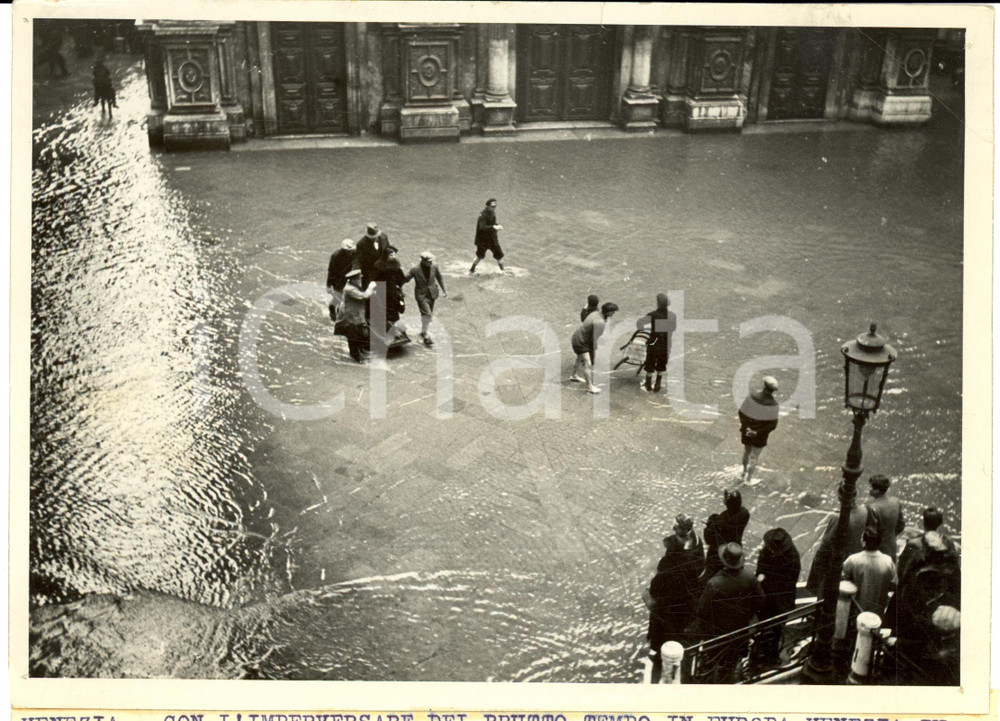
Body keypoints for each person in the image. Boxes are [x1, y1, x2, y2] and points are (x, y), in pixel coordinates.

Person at [686, 543, 764, 683]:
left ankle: (712, 677)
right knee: (733, 657)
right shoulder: (749, 577)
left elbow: (702, 610)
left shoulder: (714, 583)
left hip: (717, 631)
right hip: (741, 628)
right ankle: (728, 674)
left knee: (713, 656)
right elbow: (761, 600)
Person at [645, 514, 705, 662]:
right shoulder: (696, 542)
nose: (673, 527)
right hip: (688, 597)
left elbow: (658, 586)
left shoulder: (675, 562)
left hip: (672, 600)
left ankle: (659, 653)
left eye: (676, 526)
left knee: (663, 625)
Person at [752, 528, 801, 666]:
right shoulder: (785, 554)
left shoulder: (791, 557)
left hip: (778, 599)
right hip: (770, 597)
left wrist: (763, 579)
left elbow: (789, 581)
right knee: (766, 626)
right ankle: (763, 651)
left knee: (774, 628)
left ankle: (769, 654)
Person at [805, 496, 869, 598]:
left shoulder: (837, 517)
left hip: (837, 560)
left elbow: (826, 542)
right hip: (855, 556)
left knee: (826, 590)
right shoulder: (865, 511)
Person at [842, 529, 897, 615]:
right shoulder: (888, 561)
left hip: (855, 608)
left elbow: (843, 579)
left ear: (864, 542)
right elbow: (894, 584)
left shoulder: (853, 560)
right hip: (878, 610)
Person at [897, 507, 958, 584]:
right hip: (940, 585)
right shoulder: (948, 542)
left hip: (919, 587)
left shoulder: (914, 543)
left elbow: (901, 570)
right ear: (940, 523)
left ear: (924, 522)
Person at [738, 377, 780, 485]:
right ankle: (748, 479)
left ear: (764, 386)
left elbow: (742, 412)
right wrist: (757, 432)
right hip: (760, 436)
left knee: (746, 451)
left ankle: (743, 472)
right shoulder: (773, 405)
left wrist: (747, 427)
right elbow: (772, 425)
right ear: (773, 391)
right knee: (754, 457)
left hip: (746, 431)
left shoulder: (752, 396)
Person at [702, 489, 750, 582]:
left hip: (718, 550)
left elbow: (708, 539)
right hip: (735, 544)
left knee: (712, 572)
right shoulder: (745, 513)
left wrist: (709, 525)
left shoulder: (720, 520)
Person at [569, 302, 618, 394]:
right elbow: (593, 339)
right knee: (587, 363)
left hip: (576, 337)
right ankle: (590, 387)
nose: (613, 314)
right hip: (581, 342)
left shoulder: (595, 313)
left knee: (579, 358)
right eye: (613, 312)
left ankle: (574, 375)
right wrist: (592, 352)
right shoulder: (600, 323)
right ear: (608, 312)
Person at [403, 251, 447, 347]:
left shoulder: (434, 266)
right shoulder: (415, 269)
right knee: (427, 314)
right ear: (423, 261)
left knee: (426, 314)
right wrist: (399, 288)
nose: (431, 263)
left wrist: (444, 290)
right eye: (429, 261)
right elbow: (405, 279)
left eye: (432, 261)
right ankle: (426, 335)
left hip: (432, 293)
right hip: (421, 295)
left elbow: (440, 278)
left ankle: (423, 331)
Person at [636, 293, 677, 393]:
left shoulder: (653, 315)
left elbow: (639, 323)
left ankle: (648, 384)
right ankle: (658, 384)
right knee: (662, 363)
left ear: (658, 303)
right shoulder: (672, 315)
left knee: (650, 362)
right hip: (666, 343)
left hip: (654, 342)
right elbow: (673, 328)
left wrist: (645, 328)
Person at [336, 269, 376, 363]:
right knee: (353, 336)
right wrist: (370, 288)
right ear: (353, 279)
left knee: (359, 334)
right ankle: (356, 357)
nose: (360, 280)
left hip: (355, 315)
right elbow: (363, 296)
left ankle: (359, 352)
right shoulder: (350, 289)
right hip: (349, 317)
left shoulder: (354, 286)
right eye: (358, 279)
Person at [371, 245, 408, 344]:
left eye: (394, 255)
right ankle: (388, 328)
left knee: (395, 307)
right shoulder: (378, 265)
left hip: (392, 288)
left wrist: (399, 287)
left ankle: (393, 326)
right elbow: (375, 278)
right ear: (386, 256)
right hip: (381, 289)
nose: (393, 257)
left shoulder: (396, 264)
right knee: (383, 308)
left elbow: (401, 278)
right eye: (391, 255)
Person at [864, 474, 905, 563]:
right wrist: (891, 535)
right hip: (892, 546)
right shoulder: (896, 501)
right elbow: (901, 525)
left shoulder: (872, 507)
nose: (869, 490)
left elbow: (872, 533)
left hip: (878, 550)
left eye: (871, 487)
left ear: (877, 491)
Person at [469, 198, 504, 273]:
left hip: (492, 239)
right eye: (492, 206)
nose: (494, 208)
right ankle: (472, 269)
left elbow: (492, 224)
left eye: (495, 206)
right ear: (487, 206)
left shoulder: (493, 213)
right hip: (483, 240)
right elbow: (482, 227)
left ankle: (503, 271)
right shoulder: (483, 215)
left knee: (499, 255)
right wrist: (493, 227)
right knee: (479, 256)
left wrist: (497, 226)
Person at [326, 238, 356, 315]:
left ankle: (343, 313)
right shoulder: (336, 256)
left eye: (350, 251)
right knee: (339, 298)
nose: (349, 252)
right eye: (347, 251)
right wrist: (329, 285)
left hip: (349, 277)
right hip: (338, 279)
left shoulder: (354, 253)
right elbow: (331, 271)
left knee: (348, 298)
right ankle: (333, 310)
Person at [356, 223, 390, 287]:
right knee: (373, 294)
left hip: (384, 270)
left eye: (375, 236)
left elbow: (388, 249)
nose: (373, 238)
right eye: (371, 237)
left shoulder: (384, 237)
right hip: (370, 274)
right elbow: (358, 260)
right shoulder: (361, 244)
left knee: (386, 292)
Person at [92, 53, 116, 117]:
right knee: (97, 92)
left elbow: (108, 73)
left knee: (112, 91)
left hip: (105, 84)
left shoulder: (103, 68)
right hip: (101, 85)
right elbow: (94, 75)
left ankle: (113, 102)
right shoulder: (96, 69)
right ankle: (97, 101)